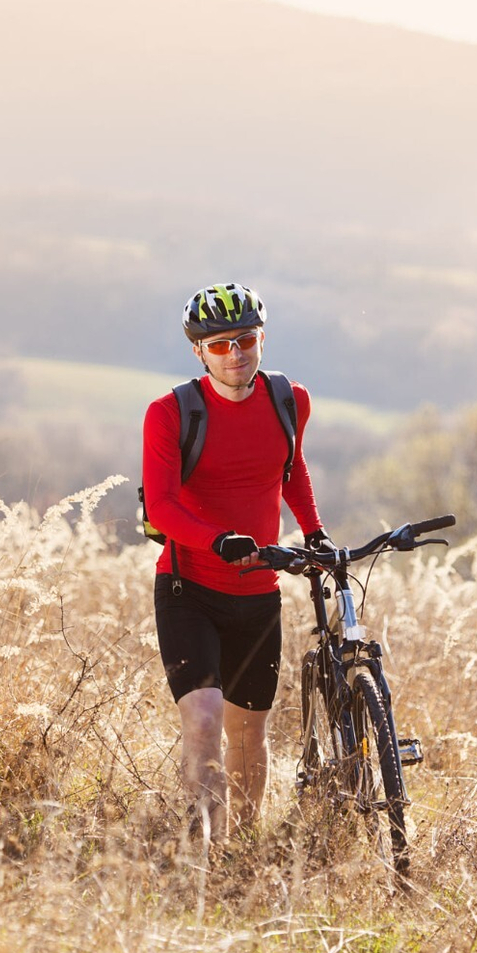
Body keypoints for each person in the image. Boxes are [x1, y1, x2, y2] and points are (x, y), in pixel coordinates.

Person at [142, 282, 332, 847]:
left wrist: (314, 532)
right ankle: (203, 851)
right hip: (188, 588)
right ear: (198, 351)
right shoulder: (169, 413)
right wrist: (216, 538)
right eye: (219, 344)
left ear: (261, 340)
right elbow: (162, 506)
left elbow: (291, 470)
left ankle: (240, 854)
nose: (235, 354)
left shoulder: (288, 400)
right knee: (204, 723)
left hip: (258, 593)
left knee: (249, 735)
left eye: (245, 340)